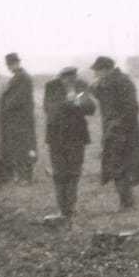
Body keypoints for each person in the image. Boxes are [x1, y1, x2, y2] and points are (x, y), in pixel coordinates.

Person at [90, 56, 139, 209]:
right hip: (113, 131)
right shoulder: (107, 83)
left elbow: (132, 108)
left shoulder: (122, 82)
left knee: (121, 166)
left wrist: (117, 124)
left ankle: (126, 202)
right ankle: (125, 201)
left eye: (97, 71)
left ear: (106, 70)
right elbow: (97, 92)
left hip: (124, 132)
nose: (95, 74)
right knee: (116, 166)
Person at [42, 67, 95, 219]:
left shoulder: (81, 86)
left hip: (76, 137)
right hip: (56, 137)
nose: (70, 81)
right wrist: (70, 103)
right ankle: (62, 208)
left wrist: (79, 102)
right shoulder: (51, 87)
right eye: (67, 78)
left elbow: (91, 107)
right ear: (61, 78)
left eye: (73, 78)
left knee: (74, 173)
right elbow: (50, 109)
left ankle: (70, 209)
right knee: (59, 174)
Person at [1, 52, 37, 183]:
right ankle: (22, 176)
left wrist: (5, 103)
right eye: (9, 64)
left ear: (16, 63)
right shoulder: (18, 77)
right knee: (19, 147)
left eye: (11, 64)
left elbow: (17, 99)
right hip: (18, 119)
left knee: (24, 147)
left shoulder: (22, 78)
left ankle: (26, 178)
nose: (10, 67)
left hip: (22, 119)